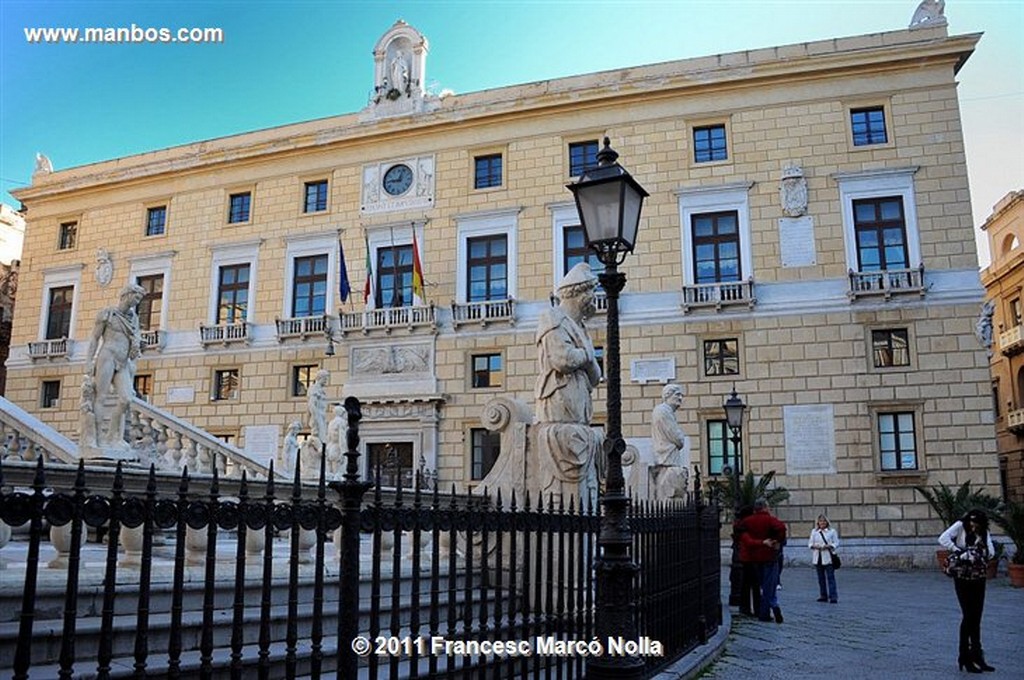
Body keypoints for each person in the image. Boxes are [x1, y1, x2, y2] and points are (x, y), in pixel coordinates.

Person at [534, 262, 603, 500]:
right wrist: (586, 357)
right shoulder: (552, 318)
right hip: (558, 408)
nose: (593, 297)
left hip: (579, 412)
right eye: (590, 291)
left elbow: (596, 377)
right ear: (578, 293)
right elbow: (562, 359)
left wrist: (585, 359)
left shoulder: (582, 330)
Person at [84, 283, 146, 451]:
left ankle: (112, 437)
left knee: (126, 399)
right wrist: (89, 362)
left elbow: (135, 341)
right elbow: (94, 339)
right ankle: (98, 439)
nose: (137, 302)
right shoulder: (107, 314)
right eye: (136, 298)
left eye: (139, 299)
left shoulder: (133, 319)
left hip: (123, 361)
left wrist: (139, 345)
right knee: (101, 398)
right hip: (107, 357)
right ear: (126, 295)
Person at [939, 509, 996, 673]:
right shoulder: (959, 526)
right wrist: (959, 550)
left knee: (977, 615)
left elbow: (991, 552)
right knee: (968, 615)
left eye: (976, 523)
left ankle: (978, 655)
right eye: (970, 522)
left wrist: (978, 552)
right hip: (962, 576)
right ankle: (964, 655)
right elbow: (942, 538)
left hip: (978, 576)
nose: (972, 525)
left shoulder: (984, 532)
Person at [736, 499, 787, 623]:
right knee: (769, 585)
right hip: (769, 556)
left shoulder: (746, 522)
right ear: (765, 507)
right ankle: (769, 609)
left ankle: (768, 608)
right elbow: (781, 528)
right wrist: (776, 541)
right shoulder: (770, 520)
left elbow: (744, 538)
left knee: (764, 585)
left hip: (754, 559)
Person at [651, 383, 690, 499]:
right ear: (667, 395)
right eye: (677, 395)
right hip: (667, 457)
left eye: (681, 395)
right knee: (670, 495)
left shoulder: (664, 411)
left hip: (668, 458)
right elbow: (678, 438)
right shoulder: (663, 411)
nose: (680, 398)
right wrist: (681, 439)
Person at [734, 504, 760, 617]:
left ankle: (745, 607)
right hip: (751, 557)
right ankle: (755, 608)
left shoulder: (739, 524)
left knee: (745, 585)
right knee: (755, 585)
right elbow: (749, 542)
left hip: (744, 558)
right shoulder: (746, 526)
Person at [808, 514, 839, 603]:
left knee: (830, 577)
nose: (822, 523)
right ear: (818, 522)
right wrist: (814, 546)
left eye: (824, 521)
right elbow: (810, 543)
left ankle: (833, 596)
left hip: (828, 557)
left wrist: (829, 546)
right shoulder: (814, 532)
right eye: (821, 521)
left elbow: (836, 543)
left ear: (827, 522)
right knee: (820, 578)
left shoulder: (832, 531)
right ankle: (823, 595)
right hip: (818, 557)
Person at [306, 369, 330, 443]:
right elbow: (311, 404)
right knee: (321, 438)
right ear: (320, 378)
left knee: (324, 438)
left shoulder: (321, 390)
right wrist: (316, 417)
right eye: (325, 378)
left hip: (322, 416)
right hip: (317, 415)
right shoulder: (314, 388)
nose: (326, 380)